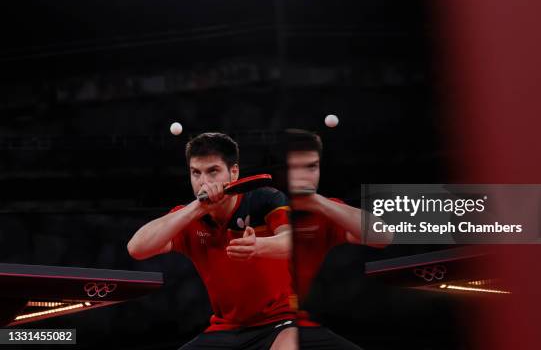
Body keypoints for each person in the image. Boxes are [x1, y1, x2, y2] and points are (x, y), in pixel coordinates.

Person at [127, 132, 297, 350]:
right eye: (195, 173)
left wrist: (259, 246)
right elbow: (136, 248)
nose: (204, 182)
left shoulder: (265, 198)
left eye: (213, 171)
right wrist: (197, 207)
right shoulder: (188, 216)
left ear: (233, 172)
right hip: (226, 329)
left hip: (279, 323)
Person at [285, 129, 392, 349]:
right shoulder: (251, 202)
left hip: (295, 322)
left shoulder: (323, 208)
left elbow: (382, 236)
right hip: (248, 326)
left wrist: (317, 202)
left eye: (311, 167)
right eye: (293, 168)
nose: (303, 177)